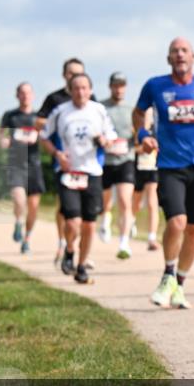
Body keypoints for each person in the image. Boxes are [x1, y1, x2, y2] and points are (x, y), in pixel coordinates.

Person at [133, 37, 194, 309]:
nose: (179, 55)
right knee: (177, 223)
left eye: (184, 50)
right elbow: (139, 113)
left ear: (193, 57)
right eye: (174, 51)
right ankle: (168, 275)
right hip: (170, 165)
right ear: (168, 59)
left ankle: (180, 286)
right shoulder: (155, 85)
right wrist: (143, 135)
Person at [41, 73, 116, 284]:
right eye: (76, 88)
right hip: (68, 172)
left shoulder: (98, 110)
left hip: (92, 172)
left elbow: (111, 136)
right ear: (70, 90)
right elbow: (44, 137)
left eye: (84, 88)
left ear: (90, 90)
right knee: (73, 221)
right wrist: (57, 154)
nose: (81, 92)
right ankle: (70, 249)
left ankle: (82, 266)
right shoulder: (60, 112)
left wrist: (105, 140)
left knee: (90, 224)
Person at [37, 58, 86, 267]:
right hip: (62, 161)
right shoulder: (54, 99)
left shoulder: (88, 97)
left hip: (86, 162)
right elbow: (39, 122)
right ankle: (62, 241)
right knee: (64, 206)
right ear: (64, 75)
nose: (75, 77)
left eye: (79, 73)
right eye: (71, 73)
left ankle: (78, 247)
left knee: (83, 210)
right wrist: (57, 124)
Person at [0, 82, 44, 253]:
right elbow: (0, 134)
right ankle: (18, 222)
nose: (25, 96)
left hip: (34, 164)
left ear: (32, 95)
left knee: (33, 206)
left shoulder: (39, 116)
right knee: (19, 200)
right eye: (22, 93)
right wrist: (3, 141)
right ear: (17, 95)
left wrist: (37, 136)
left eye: (28, 93)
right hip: (15, 163)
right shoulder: (10, 116)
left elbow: (47, 134)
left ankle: (27, 239)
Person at [98, 72, 136, 259]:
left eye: (122, 85)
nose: (119, 89)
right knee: (106, 202)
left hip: (125, 160)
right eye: (116, 85)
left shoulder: (132, 109)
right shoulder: (100, 108)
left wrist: (137, 135)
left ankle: (124, 243)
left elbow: (139, 132)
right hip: (105, 161)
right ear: (110, 86)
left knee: (124, 201)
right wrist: (101, 139)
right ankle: (105, 218)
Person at [131, 106, 161, 252]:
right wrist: (142, 148)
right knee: (136, 203)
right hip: (138, 169)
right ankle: (131, 221)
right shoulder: (136, 131)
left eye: (151, 114)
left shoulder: (158, 129)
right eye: (146, 114)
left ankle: (151, 238)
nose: (148, 117)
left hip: (153, 169)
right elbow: (130, 149)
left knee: (152, 203)